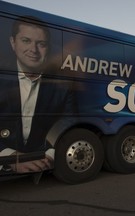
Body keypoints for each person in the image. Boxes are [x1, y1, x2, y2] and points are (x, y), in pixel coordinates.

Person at [0, 16, 77, 173]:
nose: (33, 50)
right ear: (13, 42)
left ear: (48, 48)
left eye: (41, 44)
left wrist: (50, 156)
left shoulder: (63, 85)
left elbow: (68, 121)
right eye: (26, 41)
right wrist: (9, 157)